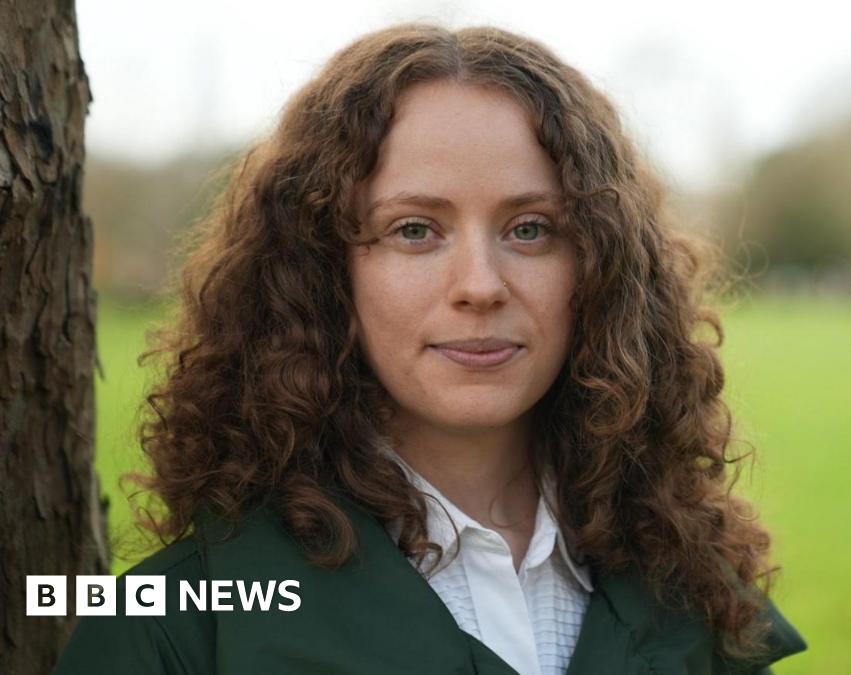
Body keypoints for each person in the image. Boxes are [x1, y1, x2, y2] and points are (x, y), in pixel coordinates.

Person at [53, 22, 806, 674]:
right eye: (415, 230)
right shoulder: (174, 631)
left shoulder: (691, 594)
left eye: (530, 229)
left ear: (600, 268)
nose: (480, 284)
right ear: (323, 270)